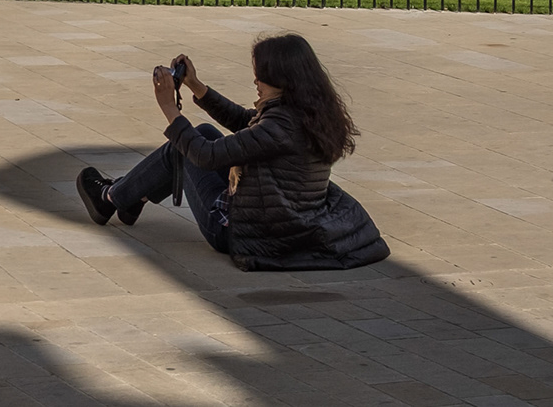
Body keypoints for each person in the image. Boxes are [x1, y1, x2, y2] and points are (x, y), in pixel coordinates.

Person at [76, 33, 390, 271]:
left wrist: (170, 108)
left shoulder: (281, 126)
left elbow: (205, 156)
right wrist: (197, 86)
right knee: (204, 133)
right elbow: (247, 126)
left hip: (245, 231)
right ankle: (131, 198)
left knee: (187, 146)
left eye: (261, 75)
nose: (255, 80)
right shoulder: (308, 110)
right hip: (282, 220)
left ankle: (112, 199)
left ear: (283, 79)